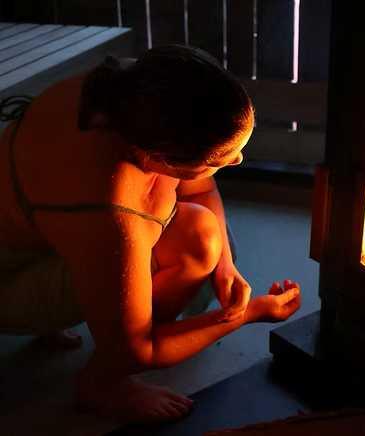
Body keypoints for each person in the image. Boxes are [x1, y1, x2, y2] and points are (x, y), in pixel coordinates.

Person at [0, 45, 301, 423]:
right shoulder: (112, 210)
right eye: (220, 159)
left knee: (215, 241)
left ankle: (70, 314)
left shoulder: (132, 90)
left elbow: (199, 187)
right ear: (161, 157)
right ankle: (103, 384)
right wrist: (248, 314)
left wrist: (226, 267)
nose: (238, 160)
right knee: (198, 242)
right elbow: (140, 350)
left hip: (38, 230)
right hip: (8, 280)